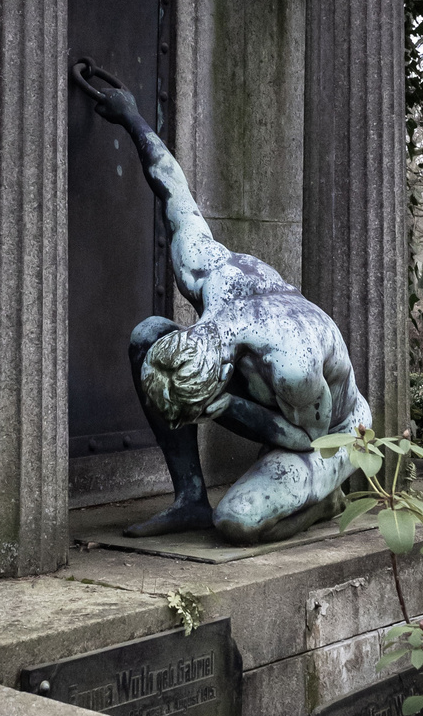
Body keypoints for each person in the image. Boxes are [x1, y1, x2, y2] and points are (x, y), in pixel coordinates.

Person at [88, 73, 371, 545]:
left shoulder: (292, 366)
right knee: (146, 335)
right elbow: (172, 189)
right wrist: (131, 116)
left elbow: (308, 438)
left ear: (215, 384)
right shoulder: (205, 272)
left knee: (236, 522)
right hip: (262, 385)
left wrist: (226, 408)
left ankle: (327, 500)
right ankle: (189, 499)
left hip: (332, 431)